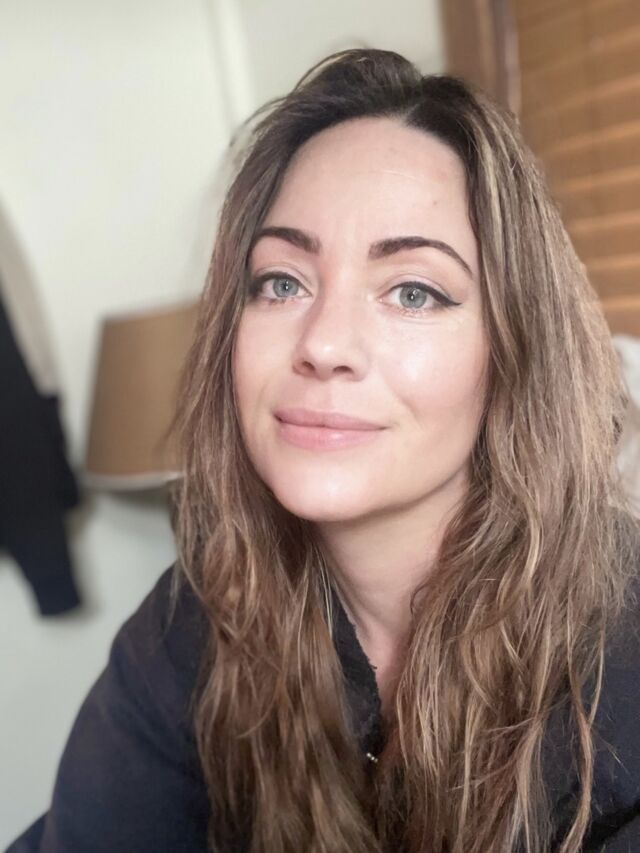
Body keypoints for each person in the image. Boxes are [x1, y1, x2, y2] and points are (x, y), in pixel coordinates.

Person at [7, 48, 640, 853]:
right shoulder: (198, 615)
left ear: (516, 350)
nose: (323, 344)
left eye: (413, 291)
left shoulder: (620, 665)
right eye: (282, 282)